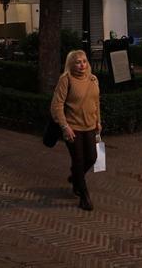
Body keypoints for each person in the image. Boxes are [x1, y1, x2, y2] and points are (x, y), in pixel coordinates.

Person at [50, 49, 101, 211]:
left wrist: (99, 121)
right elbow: (56, 105)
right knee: (78, 160)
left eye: (84, 61)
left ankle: (75, 177)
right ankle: (84, 196)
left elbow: (96, 102)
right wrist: (65, 126)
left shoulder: (93, 79)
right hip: (73, 128)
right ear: (71, 64)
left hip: (90, 127)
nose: (82, 65)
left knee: (92, 158)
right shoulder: (66, 80)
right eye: (78, 62)